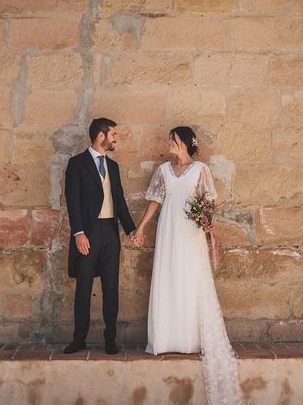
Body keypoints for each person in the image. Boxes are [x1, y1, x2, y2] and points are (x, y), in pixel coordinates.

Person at [133, 126, 243, 405]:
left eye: (172, 140)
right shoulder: (163, 171)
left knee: (189, 279)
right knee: (168, 278)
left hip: (190, 233)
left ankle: (190, 339)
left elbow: (208, 203)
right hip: (168, 230)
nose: (168, 143)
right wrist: (141, 228)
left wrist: (206, 222)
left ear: (183, 142)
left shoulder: (201, 170)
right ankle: (165, 338)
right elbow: (156, 201)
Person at [63, 118, 136, 355]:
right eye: (113, 134)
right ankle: (79, 338)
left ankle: (110, 339)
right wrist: (79, 233)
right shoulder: (77, 164)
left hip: (110, 235)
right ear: (101, 136)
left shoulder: (112, 167)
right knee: (83, 288)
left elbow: (120, 202)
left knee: (111, 288)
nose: (115, 139)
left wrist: (131, 229)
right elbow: (72, 202)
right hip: (88, 234)